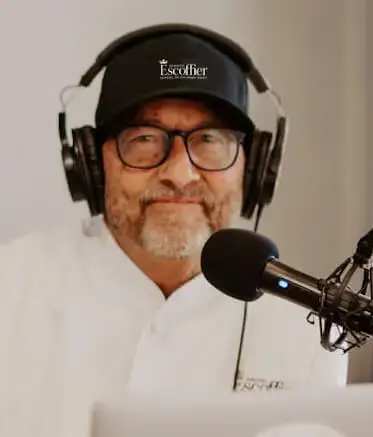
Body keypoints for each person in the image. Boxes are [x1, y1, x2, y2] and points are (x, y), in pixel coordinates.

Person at [0, 25, 347, 437]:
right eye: (145, 138)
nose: (180, 175)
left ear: (253, 169)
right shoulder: (11, 287)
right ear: (91, 163)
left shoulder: (307, 327)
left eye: (210, 139)